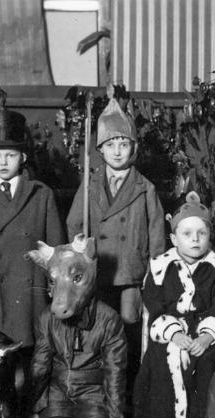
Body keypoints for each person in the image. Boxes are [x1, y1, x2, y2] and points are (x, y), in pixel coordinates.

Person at [0, 106, 65, 418]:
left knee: (30, 354)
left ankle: (35, 409)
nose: (3, 162)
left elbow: (54, 250)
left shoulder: (41, 194)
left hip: (31, 288)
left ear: (23, 158)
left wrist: (54, 287)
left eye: (10, 154)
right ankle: (3, 412)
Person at [66, 97, 165, 391]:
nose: (117, 151)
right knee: (99, 329)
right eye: (110, 145)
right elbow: (74, 222)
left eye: (124, 144)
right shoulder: (90, 185)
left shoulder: (144, 187)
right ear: (100, 150)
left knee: (129, 328)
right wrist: (78, 242)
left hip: (131, 273)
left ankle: (130, 391)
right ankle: (100, 389)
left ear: (134, 147)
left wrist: (154, 271)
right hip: (99, 270)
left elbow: (157, 232)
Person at [134, 192, 215, 418]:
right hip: (172, 330)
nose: (195, 240)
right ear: (173, 238)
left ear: (210, 236)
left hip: (205, 333)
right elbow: (154, 305)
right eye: (187, 234)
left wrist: (208, 336)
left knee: (210, 361)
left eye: (201, 234)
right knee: (161, 357)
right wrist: (174, 333)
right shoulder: (159, 267)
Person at [25, 235, 132, 418]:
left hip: (92, 392)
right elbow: (40, 365)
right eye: (54, 281)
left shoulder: (108, 319)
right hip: (58, 392)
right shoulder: (46, 318)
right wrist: (35, 413)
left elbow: (115, 372)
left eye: (76, 278)